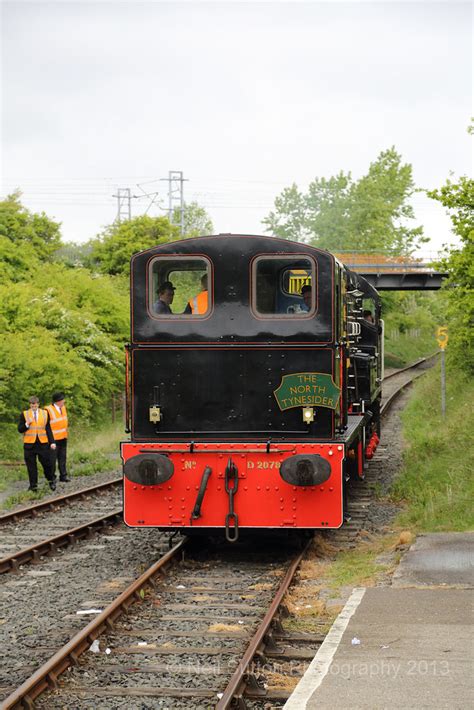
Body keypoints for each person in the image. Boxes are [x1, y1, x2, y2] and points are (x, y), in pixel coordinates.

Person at [18, 396, 57, 492]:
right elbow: (20, 429)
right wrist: (27, 424)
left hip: (42, 443)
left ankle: (51, 480)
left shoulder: (45, 413)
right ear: (30, 404)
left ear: (38, 404)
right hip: (29, 444)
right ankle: (33, 486)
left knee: (47, 464)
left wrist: (52, 442)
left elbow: (48, 428)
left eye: (35, 404)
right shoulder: (25, 414)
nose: (33, 405)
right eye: (32, 404)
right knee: (31, 467)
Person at [46, 392, 70, 483]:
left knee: (62, 458)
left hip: (63, 437)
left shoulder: (63, 408)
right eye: (62, 399)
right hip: (54, 439)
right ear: (57, 401)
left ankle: (63, 475)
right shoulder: (48, 410)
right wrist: (50, 440)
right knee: (52, 459)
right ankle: (52, 477)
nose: (64, 401)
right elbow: (47, 426)